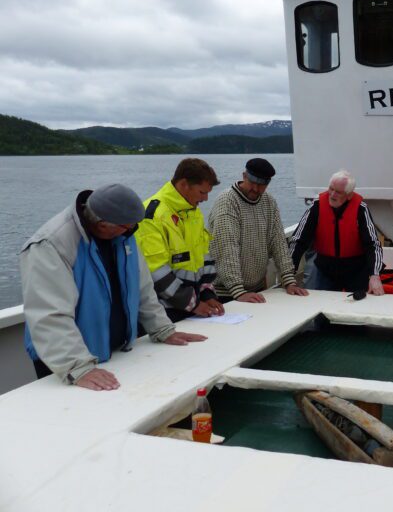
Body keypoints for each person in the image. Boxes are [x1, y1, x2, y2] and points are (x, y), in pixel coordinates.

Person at [21, 184, 207, 391]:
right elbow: (49, 314)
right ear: (101, 224)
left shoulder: (123, 234)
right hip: (66, 365)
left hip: (113, 355)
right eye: (127, 227)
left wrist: (162, 329)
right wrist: (77, 367)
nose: (131, 232)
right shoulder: (50, 245)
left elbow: (143, 288)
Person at [135, 158, 225, 322]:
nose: (205, 199)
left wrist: (207, 293)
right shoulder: (152, 216)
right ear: (184, 184)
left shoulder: (193, 212)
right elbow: (155, 271)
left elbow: (203, 255)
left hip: (193, 308)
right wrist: (193, 304)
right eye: (202, 192)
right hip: (164, 313)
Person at [208, 157, 308, 303]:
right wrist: (238, 290)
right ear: (244, 176)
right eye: (252, 182)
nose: (255, 189)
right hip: (227, 293)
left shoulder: (269, 202)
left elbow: (278, 242)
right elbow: (226, 248)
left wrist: (289, 281)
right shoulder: (227, 202)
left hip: (257, 290)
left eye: (261, 185)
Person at [290, 170, 385, 295]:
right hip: (324, 269)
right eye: (331, 189)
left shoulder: (361, 209)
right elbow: (299, 240)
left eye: (338, 192)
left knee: (358, 307)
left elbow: (373, 244)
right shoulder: (317, 206)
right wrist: (289, 275)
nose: (332, 195)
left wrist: (374, 275)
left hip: (355, 270)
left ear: (349, 195)